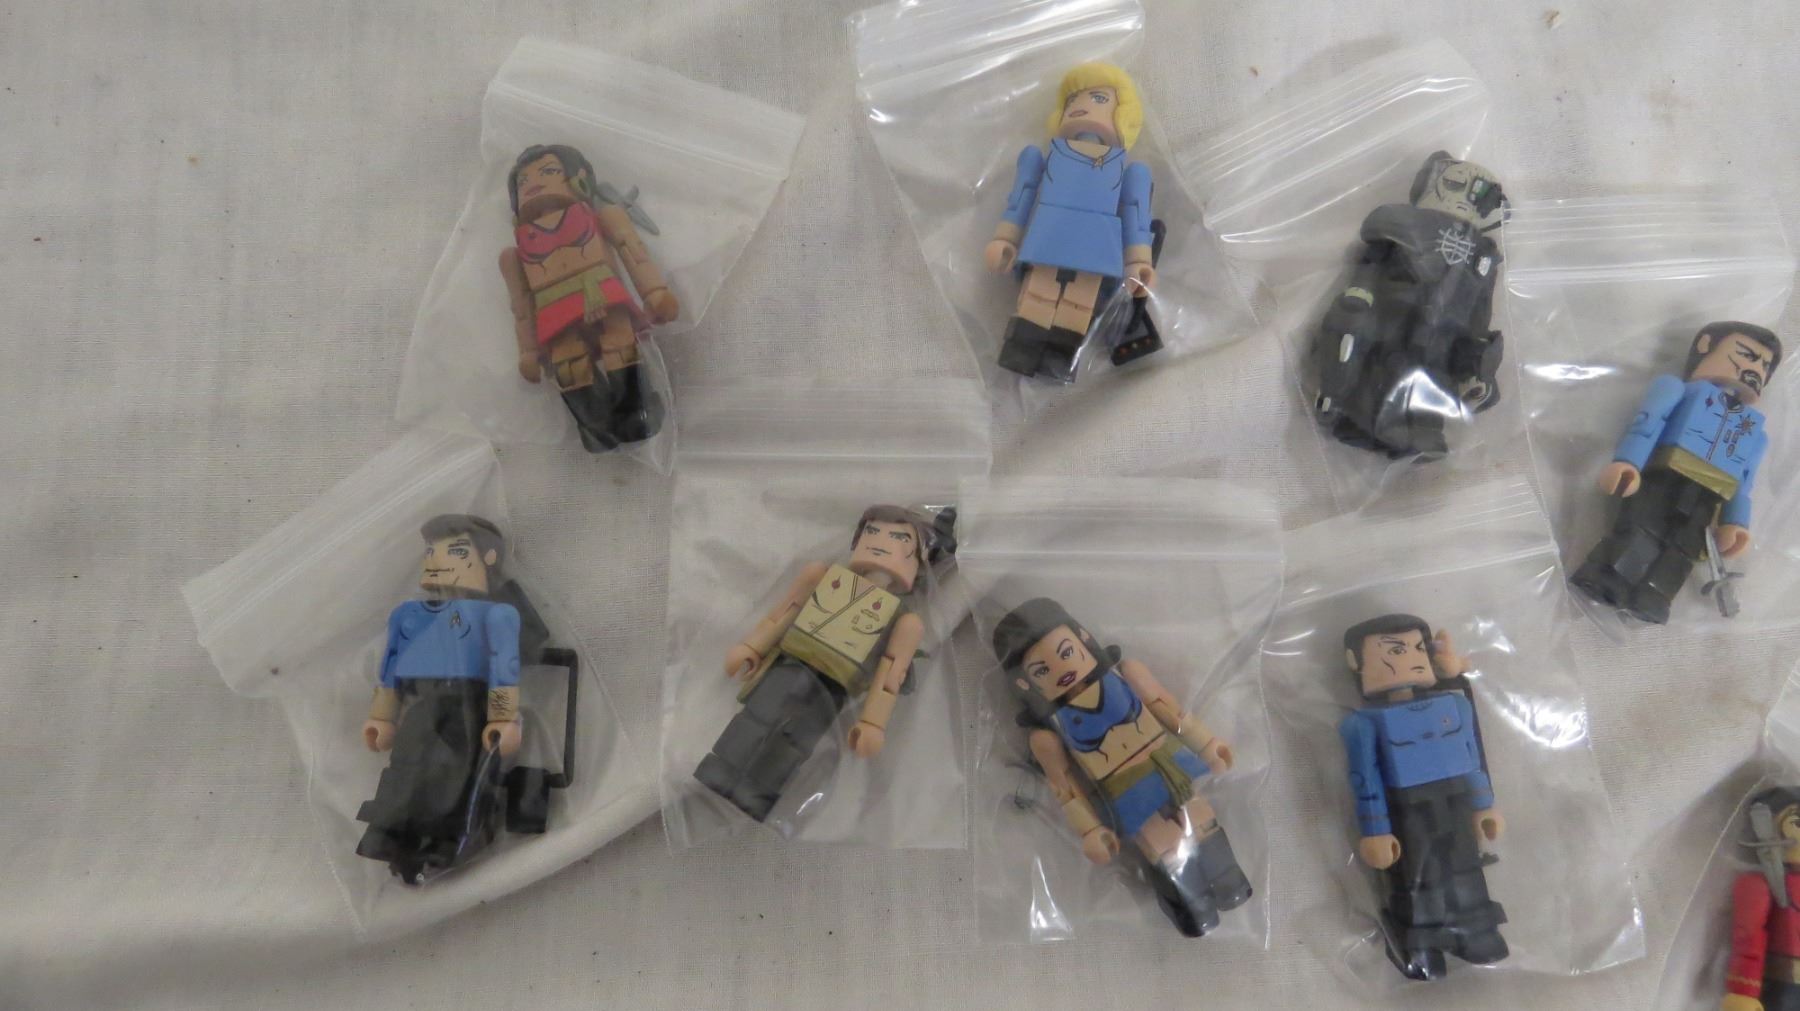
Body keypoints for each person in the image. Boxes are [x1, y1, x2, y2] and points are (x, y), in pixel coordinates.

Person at [993, 598, 1251, 937]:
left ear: (1083, 639)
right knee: (1164, 846)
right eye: (1042, 670)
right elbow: (1065, 786)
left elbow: (1170, 711)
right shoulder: (1048, 734)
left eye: (1066, 652)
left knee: (1202, 820)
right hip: (1126, 788)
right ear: (1025, 683)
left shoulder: (1127, 675)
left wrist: (1207, 744)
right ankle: (1193, 906)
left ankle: (1227, 878)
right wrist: (1089, 830)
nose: (1061, 668)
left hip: (1167, 762)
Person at [695, 506, 952, 823]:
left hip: (832, 689)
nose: (880, 543)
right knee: (755, 719)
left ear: (919, 564)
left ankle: (757, 791)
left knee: (795, 742)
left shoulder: (905, 621)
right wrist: (752, 646)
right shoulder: (821, 576)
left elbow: (890, 674)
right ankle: (720, 768)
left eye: (900, 539)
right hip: (790, 666)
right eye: (872, 532)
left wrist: (873, 722)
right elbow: (784, 613)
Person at [1571, 321, 1780, 623]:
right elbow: (1648, 424)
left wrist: (1735, 523)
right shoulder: (1677, 390)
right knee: (1643, 528)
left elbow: (1744, 481)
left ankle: (1656, 593)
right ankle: (1610, 575)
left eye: (1764, 366)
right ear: (1705, 346)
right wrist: (1628, 462)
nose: (1754, 370)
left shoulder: (1755, 433)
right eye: (1747, 355)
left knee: (1684, 548)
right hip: (1664, 477)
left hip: (1708, 498)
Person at [354, 515, 522, 883]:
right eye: (432, 550)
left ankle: (444, 841)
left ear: (489, 559)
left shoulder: (497, 615)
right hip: (422, 710)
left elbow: (504, 671)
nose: (437, 559)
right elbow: (390, 674)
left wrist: (501, 720)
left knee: (454, 778)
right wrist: (381, 718)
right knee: (406, 770)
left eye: (457, 551)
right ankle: (398, 841)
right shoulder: (408, 616)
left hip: (468, 711)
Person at [1339, 614, 1507, 980]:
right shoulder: (1363, 724)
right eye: (1395, 651)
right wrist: (1376, 830)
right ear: (1355, 662)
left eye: (1418, 649)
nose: (1412, 660)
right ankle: (1421, 944)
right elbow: (1366, 780)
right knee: (1418, 876)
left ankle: (1476, 929)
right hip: (1407, 810)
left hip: (1455, 802)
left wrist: (1483, 805)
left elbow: (1471, 757)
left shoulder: (1455, 706)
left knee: (1465, 865)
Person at [1310, 151, 1508, 458]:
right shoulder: (1401, 225)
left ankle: (1414, 429)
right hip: (1389, 329)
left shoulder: (1482, 257)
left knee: (1423, 381)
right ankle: (1346, 404)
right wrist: (1358, 305)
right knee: (1356, 330)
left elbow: (1477, 319)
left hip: (1439, 347)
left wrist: (1476, 369)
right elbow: (1368, 273)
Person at [498, 144, 679, 452]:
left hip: (602, 296)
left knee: (620, 347)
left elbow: (632, 251)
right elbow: (522, 306)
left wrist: (655, 291)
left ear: (578, 179)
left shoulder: (603, 216)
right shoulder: (513, 255)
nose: (533, 184)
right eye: (523, 182)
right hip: (555, 312)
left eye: (549, 172)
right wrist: (527, 350)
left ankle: (637, 413)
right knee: (569, 366)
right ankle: (595, 427)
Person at [985, 63, 1154, 382]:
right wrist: (1006, 237)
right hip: (1049, 237)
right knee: (1037, 297)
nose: (1081, 106)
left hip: (1096, 245)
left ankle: (1059, 360)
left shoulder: (1127, 170)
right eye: (1074, 99)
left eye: (1099, 99)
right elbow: (1022, 195)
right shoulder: (1047, 156)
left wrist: (1139, 260)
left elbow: (1135, 212)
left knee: (1079, 305)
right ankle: (1022, 351)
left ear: (1123, 114)